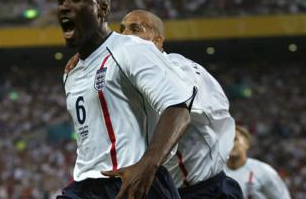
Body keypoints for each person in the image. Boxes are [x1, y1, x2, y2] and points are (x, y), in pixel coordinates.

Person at [65, 10, 243, 199]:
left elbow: (180, 109)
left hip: (204, 190)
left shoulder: (176, 66)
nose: (125, 35)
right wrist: (93, 58)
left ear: (157, 41)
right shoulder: (130, 71)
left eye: (135, 29)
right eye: (122, 29)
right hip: (162, 187)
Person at [57, 0, 197, 199]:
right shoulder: (72, 71)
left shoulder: (132, 50)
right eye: (61, 0)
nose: (64, 5)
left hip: (133, 181)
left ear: (102, 9)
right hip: (85, 186)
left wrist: (148, 165)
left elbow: (179, 109)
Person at [225, 125, 292, 199]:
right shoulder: (215, 173)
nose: (230, 143)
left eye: (235, 139)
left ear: (246, 144)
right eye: (227, 140)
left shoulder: (263, 171)